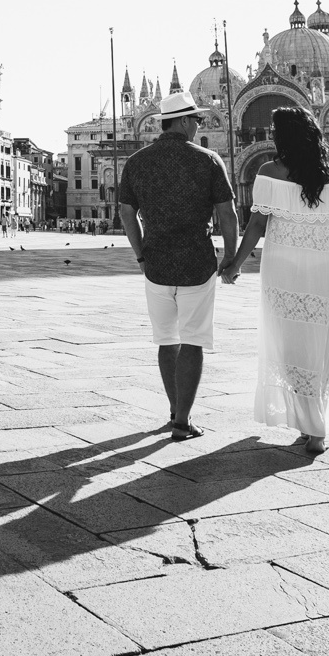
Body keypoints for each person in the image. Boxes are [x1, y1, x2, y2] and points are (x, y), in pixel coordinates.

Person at [117, 90, 238, 442]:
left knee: (166, 341)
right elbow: (227, 213)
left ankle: (174, 411)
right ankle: (183, 421)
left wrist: (141, 254)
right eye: (197, 119)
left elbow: (127, 213)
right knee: (193, 341)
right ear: (184, 121)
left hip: (155, 263)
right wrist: (230, 257)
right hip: (197, 262)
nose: (200, 124)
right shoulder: (208, 160)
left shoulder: (137, 162)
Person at [228, 107, 329, 455]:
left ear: (282, 136)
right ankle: (311, 424)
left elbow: (256, 225)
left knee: (287, 344)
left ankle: (313, 425)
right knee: (319, 346)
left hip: (282, 268)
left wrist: (235, 265)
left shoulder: (270, 171)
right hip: (324, 268)